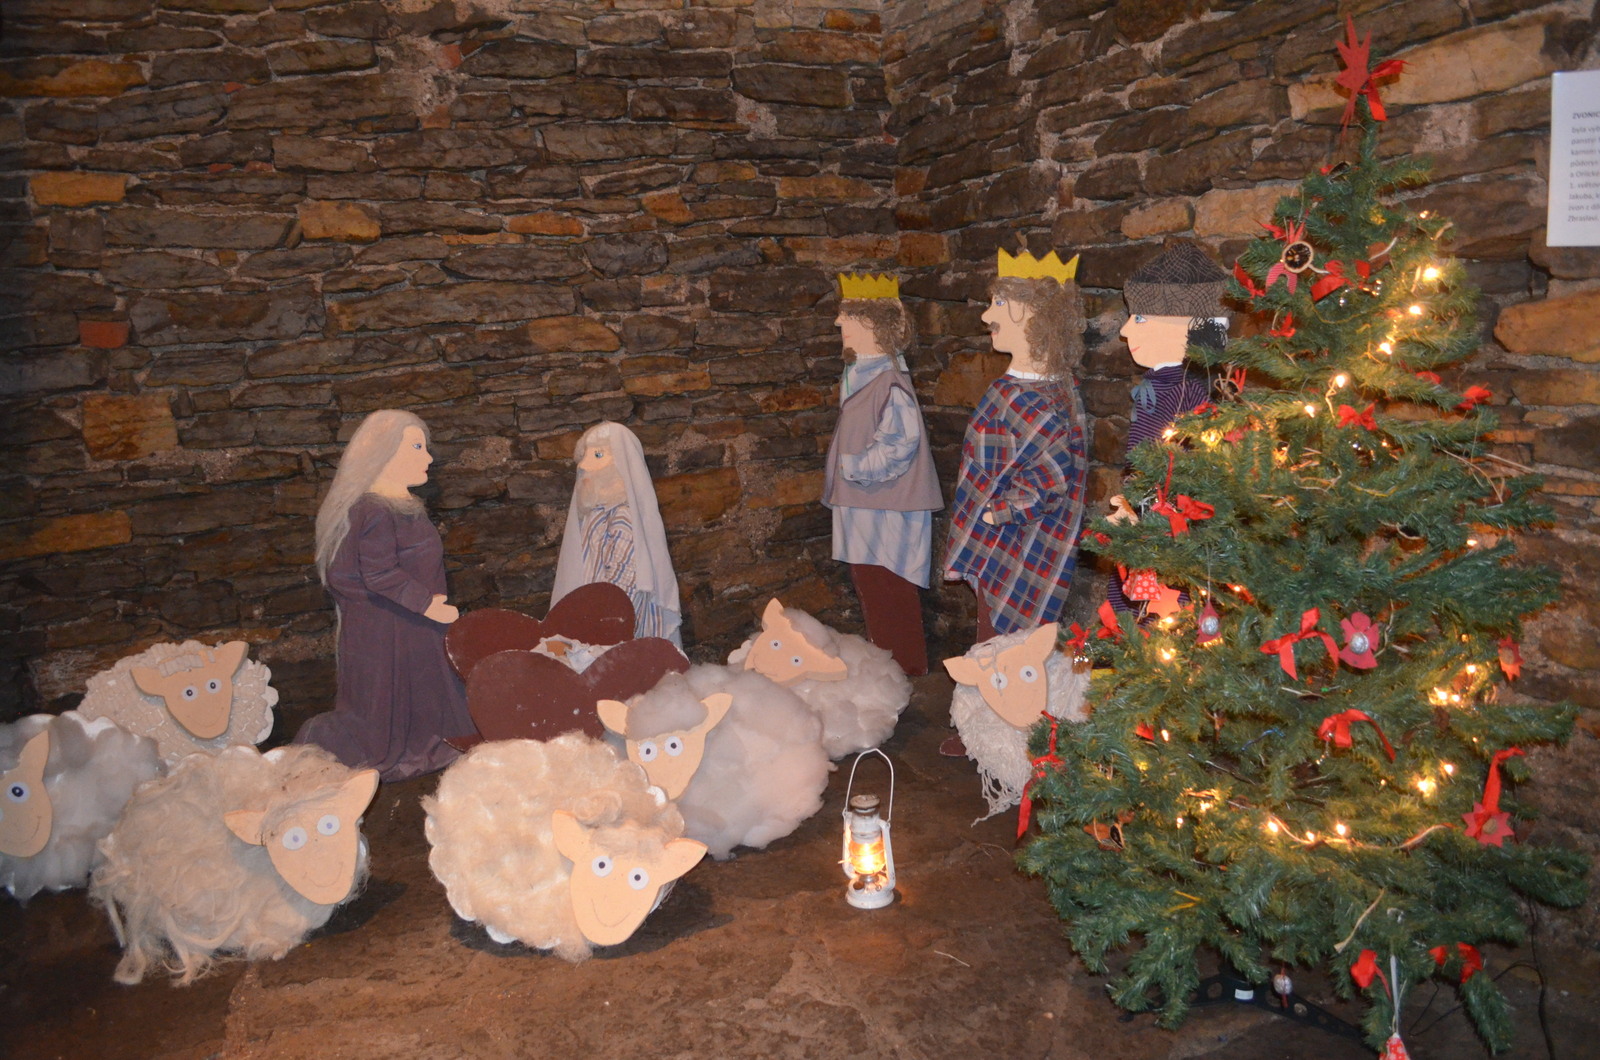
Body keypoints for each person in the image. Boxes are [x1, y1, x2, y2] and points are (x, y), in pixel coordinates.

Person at [296, 409, 476, 782]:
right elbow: (378, 573)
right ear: (383, 453)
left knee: (423, 696)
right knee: (385, 709)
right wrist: (427, 605)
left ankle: (426, 737)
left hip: (411, 625)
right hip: (392, 628)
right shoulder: (375, 509)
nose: (428, 458)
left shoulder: (399, 503)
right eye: (416, 447)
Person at [944, 249, 1090, 645]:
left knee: (1003, 647)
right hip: (1005, 536)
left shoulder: (1032, 395)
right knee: (1001, 641)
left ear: (1032, 313)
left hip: (1017, 542)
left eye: (999, 303)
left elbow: (1051, 478)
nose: (986, 316)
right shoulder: (1044, 386)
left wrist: (997, 513)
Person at [821, 273, 943, 676]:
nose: (839, 323)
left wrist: (853, 466)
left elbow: (899, 444)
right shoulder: (863, 375)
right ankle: (887, 673)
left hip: (887, 508)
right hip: (864, 504)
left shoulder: (889, 382)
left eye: (848, 316)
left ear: (874, 324)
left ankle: (904, 672)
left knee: (889, 589)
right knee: (871, 587)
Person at [1107, 242, 1228, 613]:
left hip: (1167, 534)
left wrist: (1141, 510)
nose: (1125, 330)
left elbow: (1177, 474)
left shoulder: (1184, 392)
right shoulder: (1162, 386)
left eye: (1140, 319)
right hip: (1147, 522)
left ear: (1185, 326)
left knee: (1159, 611)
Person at [552, 421, 682, 646]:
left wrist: (602, 622)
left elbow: (625, 580)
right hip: (591, 613)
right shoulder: (595, 514)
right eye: (584, 455)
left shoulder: (623, 517)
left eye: (598, 455)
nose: (583, 465)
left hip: (610, 623)